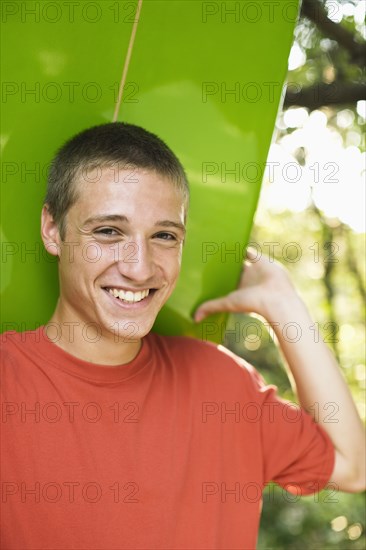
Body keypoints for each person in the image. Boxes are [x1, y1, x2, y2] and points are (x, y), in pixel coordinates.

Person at [1, 122, 364, 550]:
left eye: (164, 236)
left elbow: (351, 467)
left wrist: (284, 307)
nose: (139, 267)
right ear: (51, 229)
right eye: (108, 231)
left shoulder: (220, 382)